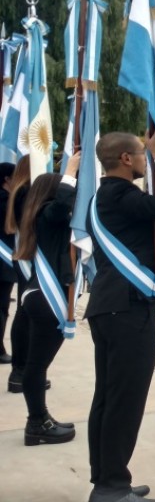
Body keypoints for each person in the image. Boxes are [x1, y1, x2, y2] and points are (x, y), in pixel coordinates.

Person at [87, 131, 155, 502]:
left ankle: (109, 479)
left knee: (110, 398)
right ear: (126, 159)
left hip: (110, 306)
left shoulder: (104, 197)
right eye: (142, 154)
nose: (145, 159)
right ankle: (112, 487)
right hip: (127, 308)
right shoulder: (123, 195)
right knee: (124, 400)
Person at [14, 153, 80, 446]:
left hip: (35, 295)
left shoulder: (36, 216)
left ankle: (40, 419)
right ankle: (37, 423)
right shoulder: (47, 215)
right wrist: (71, 171)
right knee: (37, 366)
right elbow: (62, 206)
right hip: (45, 298)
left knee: (35, 365)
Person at [5, 157, 31, 393]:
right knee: (25, 314)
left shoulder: (20, 190)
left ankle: (22, 370)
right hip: (27, 258)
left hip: (24, 256)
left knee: (25, 313)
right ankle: (21, 370)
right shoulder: (24, 192)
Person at [0, 162, 16, 365]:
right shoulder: (5, 202)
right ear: (7, 179)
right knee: (2, 306)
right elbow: (10, 228)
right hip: (3, 261)